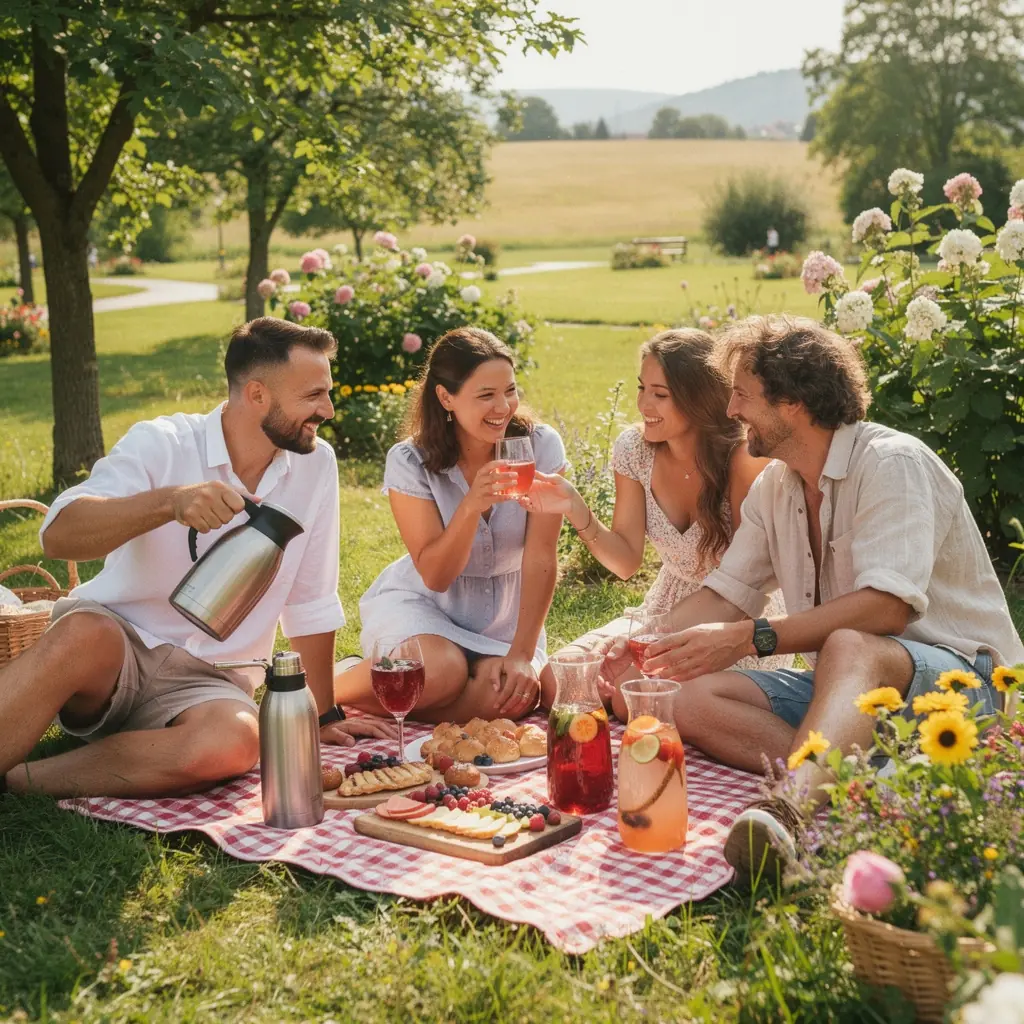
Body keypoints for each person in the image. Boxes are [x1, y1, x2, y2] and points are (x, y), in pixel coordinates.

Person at [604, 315, 1024, 879]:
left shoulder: (890, 463)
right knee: (693, 699)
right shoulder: (777, 487)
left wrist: (756, 636)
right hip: (847, 692)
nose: (730, 411)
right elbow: (728, 594)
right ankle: (858, 790)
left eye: (743, 396)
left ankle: (790, 812)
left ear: (794, 404)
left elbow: (887, 608)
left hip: (959, 683)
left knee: (853, 643)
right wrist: (652, 651)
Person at [0, 317, 395, 800]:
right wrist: (169, 502)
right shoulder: (163, 443)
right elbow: (59, 535)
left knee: (237, 741)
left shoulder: (316, 465)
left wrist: (323, 712)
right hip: (112, 656)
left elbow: (311, 596)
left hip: (210, 681)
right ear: (257, 395)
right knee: (82, 632)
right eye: (313, 396)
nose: (328, 409)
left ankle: (29, 782)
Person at [521, 329, 790, 715]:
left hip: (729, 616)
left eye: (660, 394)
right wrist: (574, 508)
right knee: (559, 681)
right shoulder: (635, 450)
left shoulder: (741, 460)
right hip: (664, 604)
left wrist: (648, 640)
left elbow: (742, 584)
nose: (644, 404)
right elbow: (626, 562)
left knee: (630, 695)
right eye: (641, 388)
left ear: (698, 400)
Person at [334, 326, 565, 723]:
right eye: (486, 395)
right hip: (426, 605)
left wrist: (522, 654)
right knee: (442, 672)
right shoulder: (410, 461)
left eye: (510, 390)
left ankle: (404, 700)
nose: (503, 407)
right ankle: (330, 688)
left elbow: (542, 555)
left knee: (512, 698)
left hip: (504, 618)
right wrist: (471, 505)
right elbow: (436, 575)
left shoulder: (538, 446)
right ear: (446, 397)